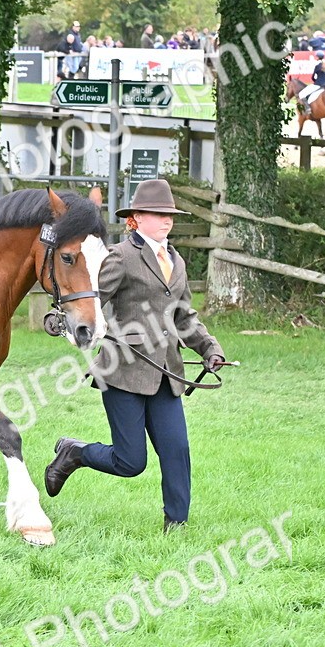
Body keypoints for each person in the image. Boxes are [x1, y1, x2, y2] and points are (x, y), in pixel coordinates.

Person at [44, 178, 226, 534]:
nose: (166, 220)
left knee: (177, 450)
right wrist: (61, 320)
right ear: (137, 218)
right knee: (131, 462)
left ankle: (177, 525)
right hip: (122, 374)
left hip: (165, 373)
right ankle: (75, 453)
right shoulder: (121, 257)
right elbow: (90, 300)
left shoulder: (176, 261)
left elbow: (184, 316)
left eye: (169, 215)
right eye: (157, 214)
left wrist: (209, 348)